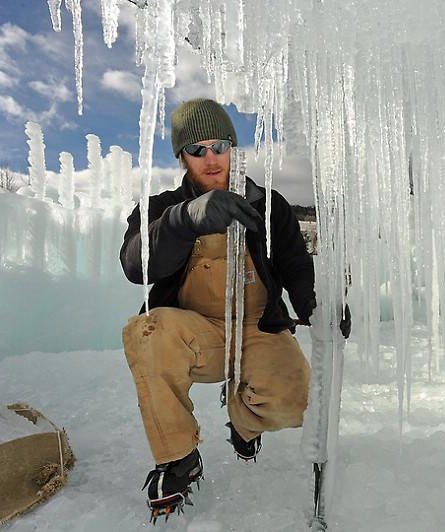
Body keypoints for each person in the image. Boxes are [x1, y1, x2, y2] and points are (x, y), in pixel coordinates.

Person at [119, 98, 350, 523]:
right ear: (182, 156)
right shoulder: (159, 207)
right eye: (197, 149)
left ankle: (243, 425)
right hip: (196, 332)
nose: (211, 159)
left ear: (234, 148)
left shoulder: (270, 204)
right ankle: (179, 458)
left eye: (220, 145)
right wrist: (183, 220)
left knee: (297, 401)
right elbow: (136, 265)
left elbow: (296, 266)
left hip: (258, 326)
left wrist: (316, 305)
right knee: (145, 330)